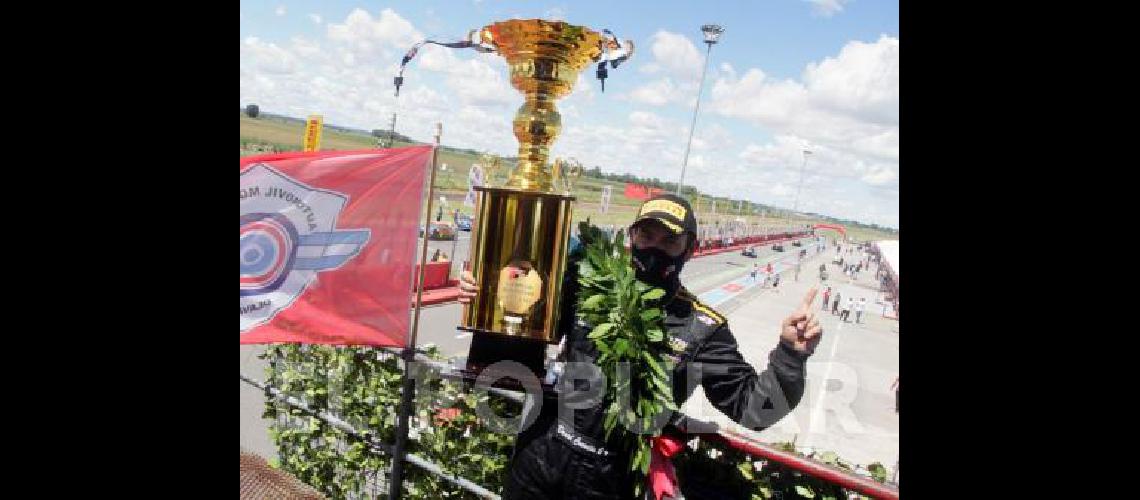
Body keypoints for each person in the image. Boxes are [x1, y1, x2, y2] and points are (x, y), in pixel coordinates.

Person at [459, 194, 823, 499]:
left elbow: (755, 411)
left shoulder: (702, 327)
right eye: (646, 236)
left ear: (689, 249)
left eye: (670, 242)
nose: (655, 249)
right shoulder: (589, 287)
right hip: (541, 453)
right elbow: (520, 334)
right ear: (630, 237)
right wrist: (487, 295)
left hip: (612, 478)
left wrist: (791, 355)